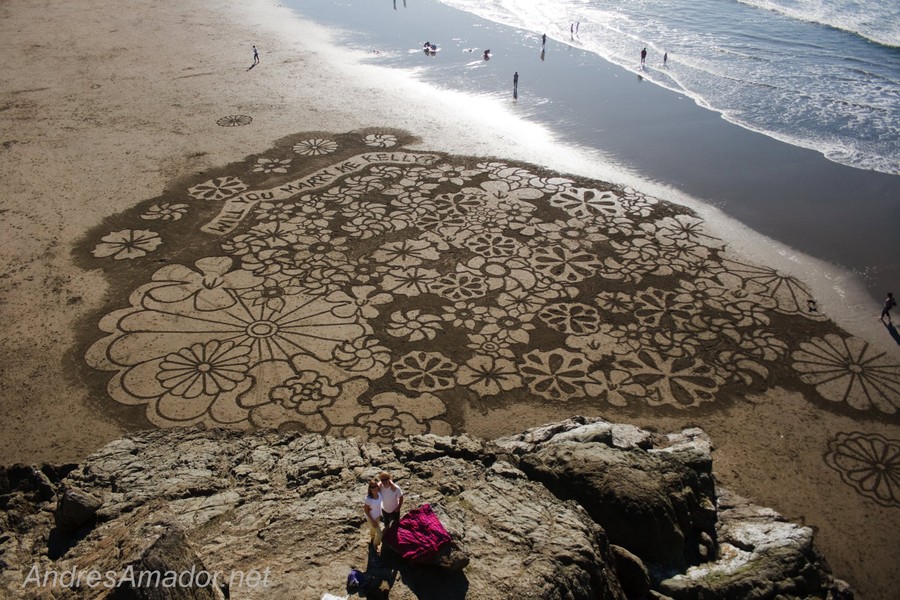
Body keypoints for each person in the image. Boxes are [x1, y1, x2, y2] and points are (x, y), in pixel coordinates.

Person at [363, 479, 383, 549]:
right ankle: (375, 544)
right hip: (371, 518)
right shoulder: (368, 499)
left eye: (375, 486)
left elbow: (381, 482)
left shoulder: (380, 494)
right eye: (372, 487)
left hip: (378, 516)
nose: (374, 488)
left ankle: (372, 537)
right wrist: (373, 520)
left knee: (373, 528)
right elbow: (366, 510)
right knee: (380, 534)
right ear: (370, 489)